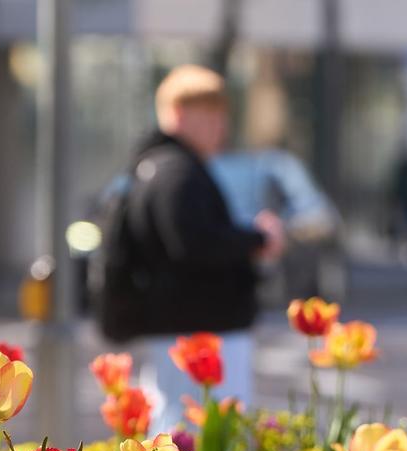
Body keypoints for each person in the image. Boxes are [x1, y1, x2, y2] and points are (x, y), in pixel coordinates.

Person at [94, 64, 284, 432]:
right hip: (198, 334)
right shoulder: (177, 173)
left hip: (181, 330)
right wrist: (257, 239)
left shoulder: (155, 167)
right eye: (210, 116)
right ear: (178, 113)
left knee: (177, 435)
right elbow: (194, 244)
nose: (220, 127)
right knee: (194, 442)